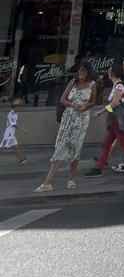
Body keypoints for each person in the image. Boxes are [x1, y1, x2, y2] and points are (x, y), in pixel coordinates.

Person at [34, 62, 96, 192]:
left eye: (84, 71)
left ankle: (71, 178)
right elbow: (62, 99)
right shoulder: (73, 82)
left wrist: (86, 106)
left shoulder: (92, 85)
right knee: (61, 146)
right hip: (69, 117)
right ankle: (48, 182)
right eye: (80, 70)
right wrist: (73, 104)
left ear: (88, 72)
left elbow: (93, 102)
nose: (81, 73)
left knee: (76, 147)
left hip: (82, 119)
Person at [84, 63, 124, 175]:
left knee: (123, 142)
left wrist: (100, 112)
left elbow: (114, 103)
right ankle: (99, 166)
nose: (108, 73)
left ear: (114, 73)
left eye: (110, 71)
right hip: (115, 119)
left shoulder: (119, 86)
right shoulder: (117, 86)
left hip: (118, 119)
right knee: (109, 142)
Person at [1, 97, 28, 164]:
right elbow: (13, 124)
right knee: (2, 147)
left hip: (11, 134)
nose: (20, 108)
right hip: (9, 134)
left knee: (15, 146)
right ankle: (21, 159)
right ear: (15, 107)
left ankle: (21, 159)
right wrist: (23, 130)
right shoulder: (12, 114)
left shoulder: (15, 114)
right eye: (19, 107)